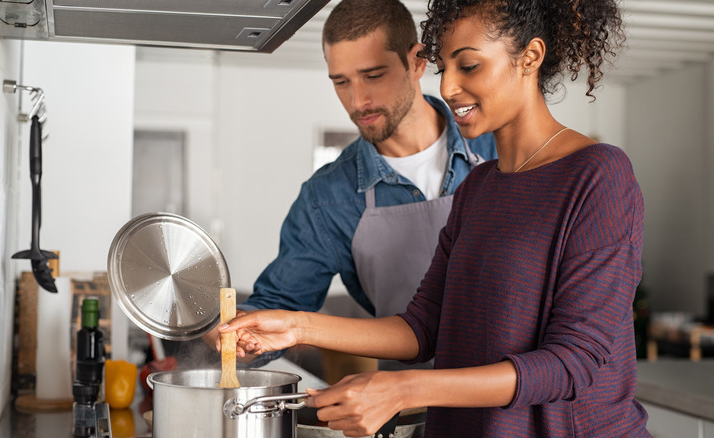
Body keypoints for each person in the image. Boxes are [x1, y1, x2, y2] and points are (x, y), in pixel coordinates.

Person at [220, 0, 650, 437]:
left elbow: (571, 364)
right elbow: (421, 327)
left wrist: (404, 389)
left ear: (531, 58)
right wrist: (294, 326)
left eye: (469, 66)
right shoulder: (478, 188)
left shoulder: (597, 175)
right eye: (445, 68)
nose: (448, 87)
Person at [204, 0, 496, 370]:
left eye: (373, 76)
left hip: (513, 403)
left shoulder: (499, 149)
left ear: (418, 61)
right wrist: (234, 331)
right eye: (341, 82)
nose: (358, 101)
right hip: (402, 412)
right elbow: (278, 305)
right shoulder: (326, 199)